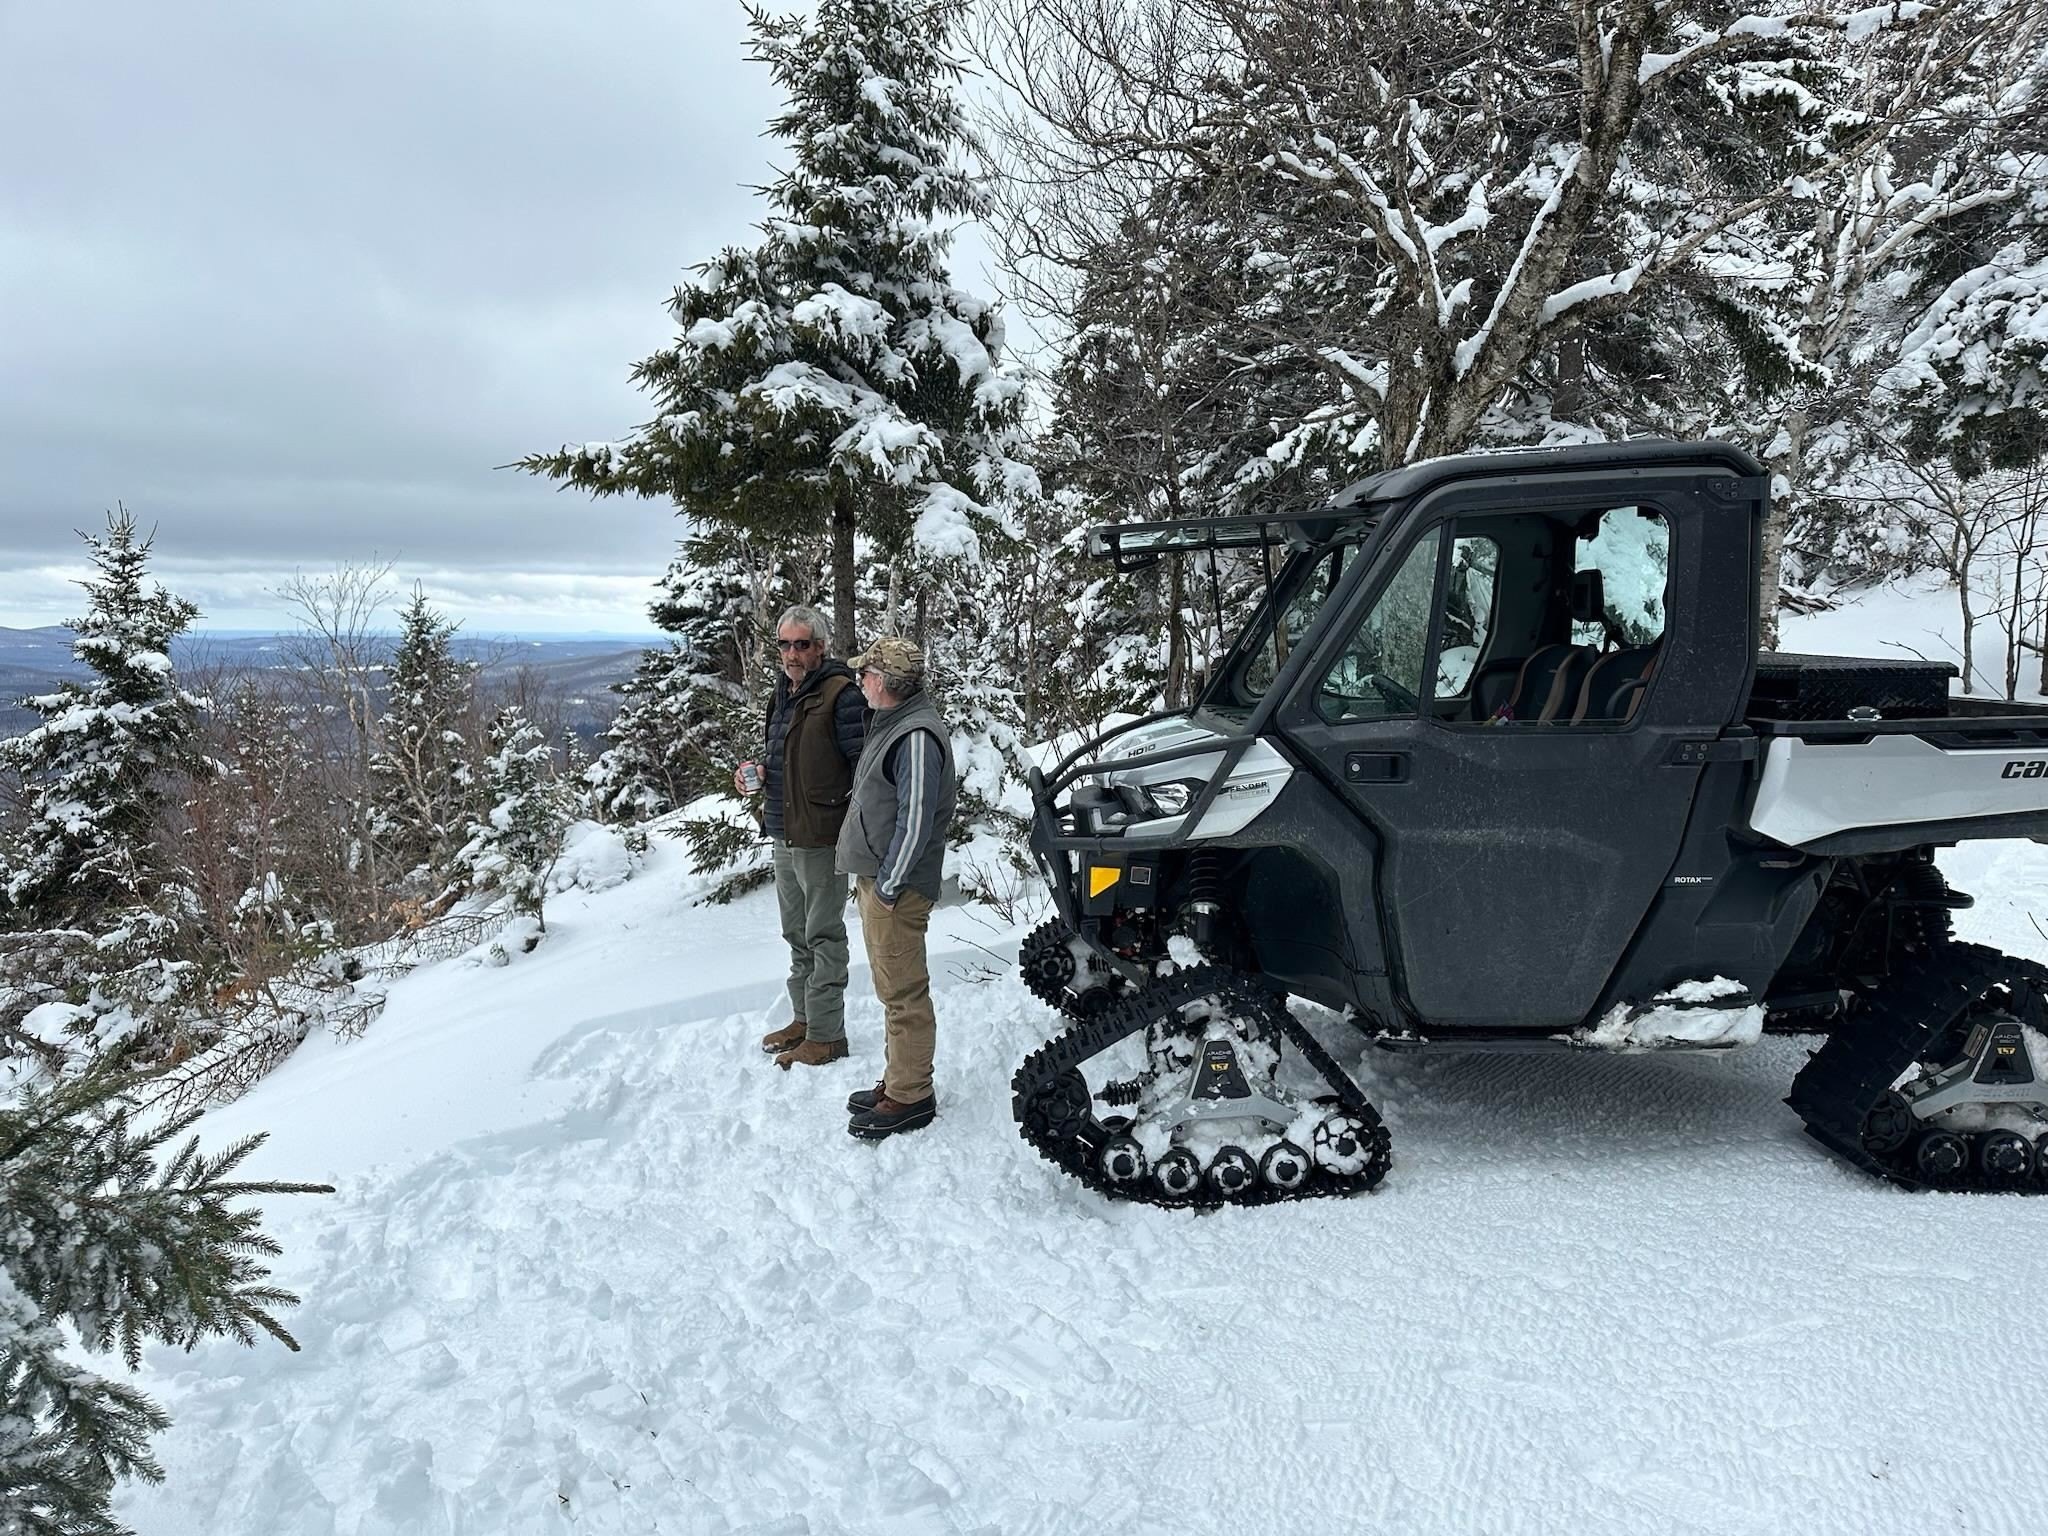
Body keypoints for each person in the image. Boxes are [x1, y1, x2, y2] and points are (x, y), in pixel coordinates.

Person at [835, 637, 958, 1140]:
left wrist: (887, 886)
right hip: (884, 884)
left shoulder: (915, 737)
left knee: (904, 993)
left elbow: (915, 823)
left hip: (897, 890)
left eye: (865, 673)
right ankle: (899, 1081)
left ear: (883, 682)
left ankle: (911, 1097)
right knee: (893, 990)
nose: (860, 680)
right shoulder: (896, 725)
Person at [740, 605, 867, 1068]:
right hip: (784, 832)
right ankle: (805, 1021)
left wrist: (857, 831)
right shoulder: (783, 695)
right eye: (785, 644)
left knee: (824, 936)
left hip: (821, 837)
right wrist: (755, 773)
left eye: (801, 644)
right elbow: (786, 760)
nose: (792, 653)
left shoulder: (841, 695)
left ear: (820, 646)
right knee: (796, 934)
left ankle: (828, 1034)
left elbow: (864, 769)